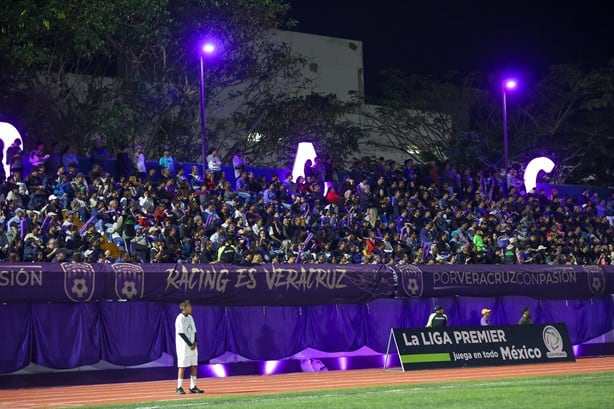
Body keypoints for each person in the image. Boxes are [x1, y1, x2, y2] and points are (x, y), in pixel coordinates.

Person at [175, 300, 204, 395]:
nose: (191, 308)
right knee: (182, 366)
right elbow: (181, 333)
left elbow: (194, 331)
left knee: (194, 365)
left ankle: (193, 386)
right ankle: (179, 387)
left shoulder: (191, 317)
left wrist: (195, 342)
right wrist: (189, 344)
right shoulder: (180, 318)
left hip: (193, 346)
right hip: (184, 347)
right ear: (184, 307)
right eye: (189, 306)